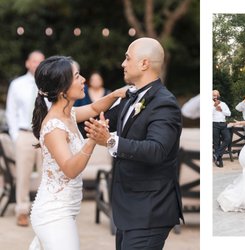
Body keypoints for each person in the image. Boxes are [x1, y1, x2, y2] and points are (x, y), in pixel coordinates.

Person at [84, 37, 184, 250]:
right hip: (128, 210)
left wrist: (110, 140)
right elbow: (94, 122)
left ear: (144, 63)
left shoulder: (165, 103)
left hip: (150, 211)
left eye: (127, 58)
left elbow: (157, 150)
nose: (122, 63)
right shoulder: (130, 98)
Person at [29, 56, 128, 250]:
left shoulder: (69, 115)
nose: (83, 79)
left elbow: (93, 107)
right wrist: (92, 139)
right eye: (77, 76)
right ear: (62, 89)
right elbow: (70, 169)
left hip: (65, 210)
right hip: (53, 213)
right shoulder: (53, 126)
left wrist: (115, 94)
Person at [5, 50, 45, 226]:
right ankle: (22, 210)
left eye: (41, 61)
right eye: (34, 61)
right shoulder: (17, 84)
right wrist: (15, 135)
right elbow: (11, 111)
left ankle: (43, 210)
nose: (37, 64)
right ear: (28, 63)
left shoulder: (49, 84)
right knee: (23, 174)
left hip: (45, 135)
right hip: (24, 134)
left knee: (47, 174)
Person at [212, 90, 231, 168]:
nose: (215, 96)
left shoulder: (223, 104)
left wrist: (221, 110)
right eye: (213, 95)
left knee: (228, 138)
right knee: (216, 142)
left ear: (219, 95)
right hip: (214, 124)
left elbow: (229, 113)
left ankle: (217, 154)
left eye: (216, 95)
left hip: (223, 124)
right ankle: (219, 159)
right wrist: (214, 107)